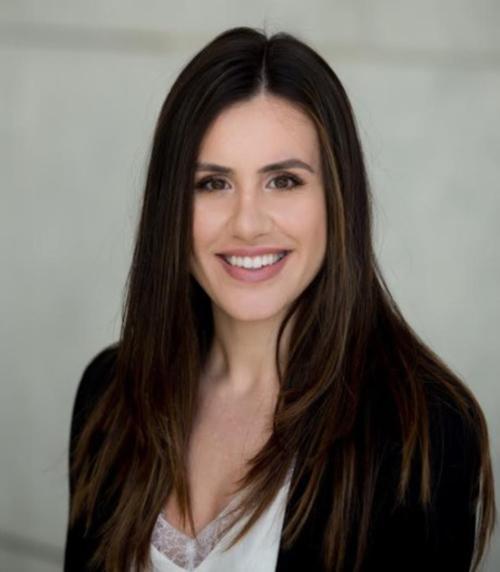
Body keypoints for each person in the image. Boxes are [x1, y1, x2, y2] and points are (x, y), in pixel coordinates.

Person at [63, 26, 496, 572]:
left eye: (284, 181)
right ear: (170, 208)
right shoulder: (110, 393)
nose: (247, 224)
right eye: (213, 184)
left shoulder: (423, 432)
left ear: (338, 198)